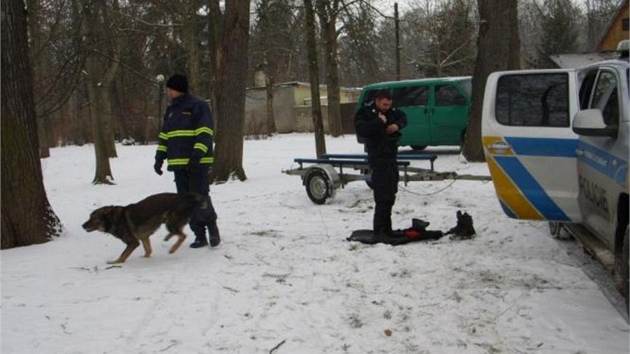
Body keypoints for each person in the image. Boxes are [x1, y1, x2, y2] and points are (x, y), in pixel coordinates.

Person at [153, 74, 221, 248]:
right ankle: (199, 235)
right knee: (186, 202)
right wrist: (159, 158)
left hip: (197, 163)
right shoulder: (171, 110)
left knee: (200, 197)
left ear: (179, 88)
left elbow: (205, 132)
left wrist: (197, 154)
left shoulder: (198, 106)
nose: (167, 91)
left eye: (170, 88)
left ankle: (212, 227)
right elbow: (165, 137)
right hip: (178, 164)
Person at [354, 89, 407, 237]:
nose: (387, 107)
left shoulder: (391, 111)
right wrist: (379, 122)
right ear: (377, 101)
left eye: (389, 104)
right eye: (384, 104)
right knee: (382, 197)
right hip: (378, 159)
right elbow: (361, 130)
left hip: (391, 158)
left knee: (390, 195)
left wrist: (397, 125)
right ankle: (380, 230)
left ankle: (387, 229)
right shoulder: (365, 113)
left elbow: (403, 117)